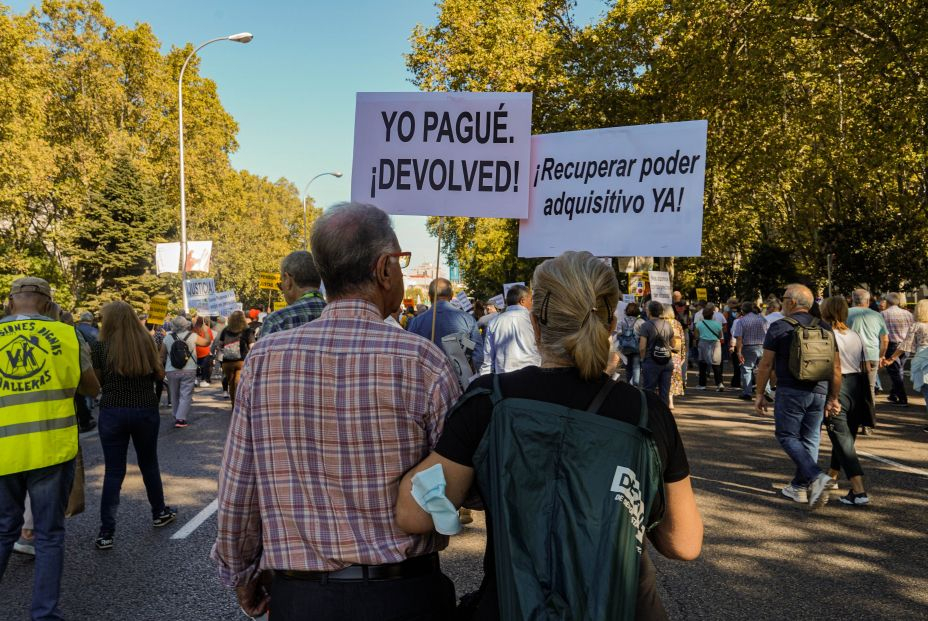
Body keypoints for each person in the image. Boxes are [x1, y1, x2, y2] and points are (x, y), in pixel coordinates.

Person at [395, 251, 702, 619]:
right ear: (609, 324)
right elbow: (684, 543)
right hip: (620, 606)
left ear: (535, 324)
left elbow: (414, 515)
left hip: (512, 606)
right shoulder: (646, 412)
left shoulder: (489, 400)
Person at [212, 203, 462, 619]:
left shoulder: (266, 359)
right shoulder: (422, 361)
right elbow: (464, 483)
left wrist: (240, 574)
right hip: (403, 596)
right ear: (383, 269)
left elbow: (239, 488)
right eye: (400, 261)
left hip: (304, 599)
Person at [0, 277, 101, 620]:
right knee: (48, 535)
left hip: (4, 452)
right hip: (51, 450)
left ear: (10, 302)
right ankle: (44, 614)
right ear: (48, 304)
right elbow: (90, 388)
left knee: (4, 529)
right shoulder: (66, 335)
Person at [91, 301, 176, 550]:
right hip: (144, 409)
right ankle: (159, 512)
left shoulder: (100, 346)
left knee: (113, 471)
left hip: (113, 410)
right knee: (148, 463)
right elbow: (159, 375)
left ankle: (106, 531)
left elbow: (98, 380)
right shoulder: (146, 341)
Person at [754, 284, 841, 509]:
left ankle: (816, 476)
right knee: (810, 438)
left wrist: (760, 393)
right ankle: (799, 486)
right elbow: (836, 367)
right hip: (819, 390)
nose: (782, 301)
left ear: (791, 302)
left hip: (790, 390)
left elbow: (766, 364)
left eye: (783, 298)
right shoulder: (824, 326)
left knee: (787, 435)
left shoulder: (780, 327)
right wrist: (834, 397)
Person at [819, 297, 873, 506]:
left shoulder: (825, 334)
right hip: (856, 387)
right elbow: (866, 367)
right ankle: (832, 476)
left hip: (836, 386)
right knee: (845, 437)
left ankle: (859, 491)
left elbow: (829, 367)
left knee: (842, 439)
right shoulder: (855, 335)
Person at [408, 277, 484, 371]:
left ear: (429, 296)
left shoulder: (416, 322)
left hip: (429, 376)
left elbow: (410, 353)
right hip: (460, 377)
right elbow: (478, 356)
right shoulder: (468, 319)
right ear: (451, 295)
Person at [882, 299, 928, 433]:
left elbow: (906, 345)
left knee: (927, 391)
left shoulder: (917, 326)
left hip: (923, 359)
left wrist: (891, 359)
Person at [260, 250, 327, 337]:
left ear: (288, 281)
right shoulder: (339, 316)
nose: (282, 291)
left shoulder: (277, 321)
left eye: (280, 285)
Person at [479, 285, 541, 375]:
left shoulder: (494, 322)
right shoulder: (534, 320)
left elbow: (488, 359)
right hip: (532, 376)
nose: (532, 303)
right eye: (531, 300)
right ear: (522, 301)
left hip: (504, 378)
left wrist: (484, 378)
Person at [160, 316, 207, 429]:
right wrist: (204, 328)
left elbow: (161, 356)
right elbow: (207, 342)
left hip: (171, 370)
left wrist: (160, 368)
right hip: (189, 369)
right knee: (186, 394)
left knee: (174, 394)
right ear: (186, 325)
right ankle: (180, 419)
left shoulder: (167, 338)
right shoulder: (193, 336)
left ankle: (176, 415)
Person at [847, 288, 888, 397]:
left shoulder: (845, 313)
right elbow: (885, 339)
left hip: (852, 356)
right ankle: (870, 408)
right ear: (868, 301)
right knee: (870, 389)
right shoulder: (877, 315)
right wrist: (881, 356)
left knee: (852, 389)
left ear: (853, 300)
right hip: (872, 355)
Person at [639, 300, 681, 404]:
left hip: (651, 361)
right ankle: (663, 412)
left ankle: (650, 412)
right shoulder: (668, 325)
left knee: (649, 391)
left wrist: (642, 359)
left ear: (649, 311)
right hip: (666, 361)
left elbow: (642, 347)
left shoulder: (645, 326)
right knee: (664, 392)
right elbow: (673, 344)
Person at [213, 310, 254, 408]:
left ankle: (234, 405)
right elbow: (252, 347)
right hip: (242, 361)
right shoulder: (247, 330)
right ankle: (240, 405)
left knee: (231, 384)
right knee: (239, 383)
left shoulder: (225, 330)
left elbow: (220, 345)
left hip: (227, 362)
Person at [732, 302, 768, 401]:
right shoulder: (763, 319)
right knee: (763, 369)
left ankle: (747, 393)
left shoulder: (741, 321)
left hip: (748, 347)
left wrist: (739, 352)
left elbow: (739, 338)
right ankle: (766, 391)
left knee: (746, 369)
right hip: (763, 347)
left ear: (743, 311)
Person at [880, 292, 912, 406]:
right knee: (899, 370)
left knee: (895, 372)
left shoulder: (883, 314)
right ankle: (894, 394)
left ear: (887, 302)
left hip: (892, 345)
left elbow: (881, 332)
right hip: (905, 346)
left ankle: (902, 399)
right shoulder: (908, 314)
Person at [661, 304, 686, 409]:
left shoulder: (660, 323)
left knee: (662, 377)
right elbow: (682, 341)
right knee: (672, 377)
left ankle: (665, 400)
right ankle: (670, 401)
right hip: (675, 354)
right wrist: (683, 356)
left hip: (662, 353)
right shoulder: (677, 323)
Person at [694, 307, 725, 391]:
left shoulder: (699, 324)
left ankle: (702, 384)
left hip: (703, 343)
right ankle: (719, 383)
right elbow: (720, 336)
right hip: (715, 344)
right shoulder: (718, 324)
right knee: (716, 365)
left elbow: (696, 336)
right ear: (712, 315)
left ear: (703, 315)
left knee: (702, 365)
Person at [616, 302, 645, 386]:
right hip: (637, 348)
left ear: (626, 310)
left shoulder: (621, 321)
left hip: (625, 348)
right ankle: (635, 386)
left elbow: (619, 334)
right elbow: (644, 335)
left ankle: (628, 385)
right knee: (636, 368)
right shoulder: (641, 322)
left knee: (628, 368)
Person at [193, 316, 214, 387]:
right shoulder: (207, 328)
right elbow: (211, 339)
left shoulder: (193, 328)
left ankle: (195, 379)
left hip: (195, 351)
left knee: (195, 366)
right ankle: (203, 380)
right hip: (205, 351)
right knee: (205, 367)